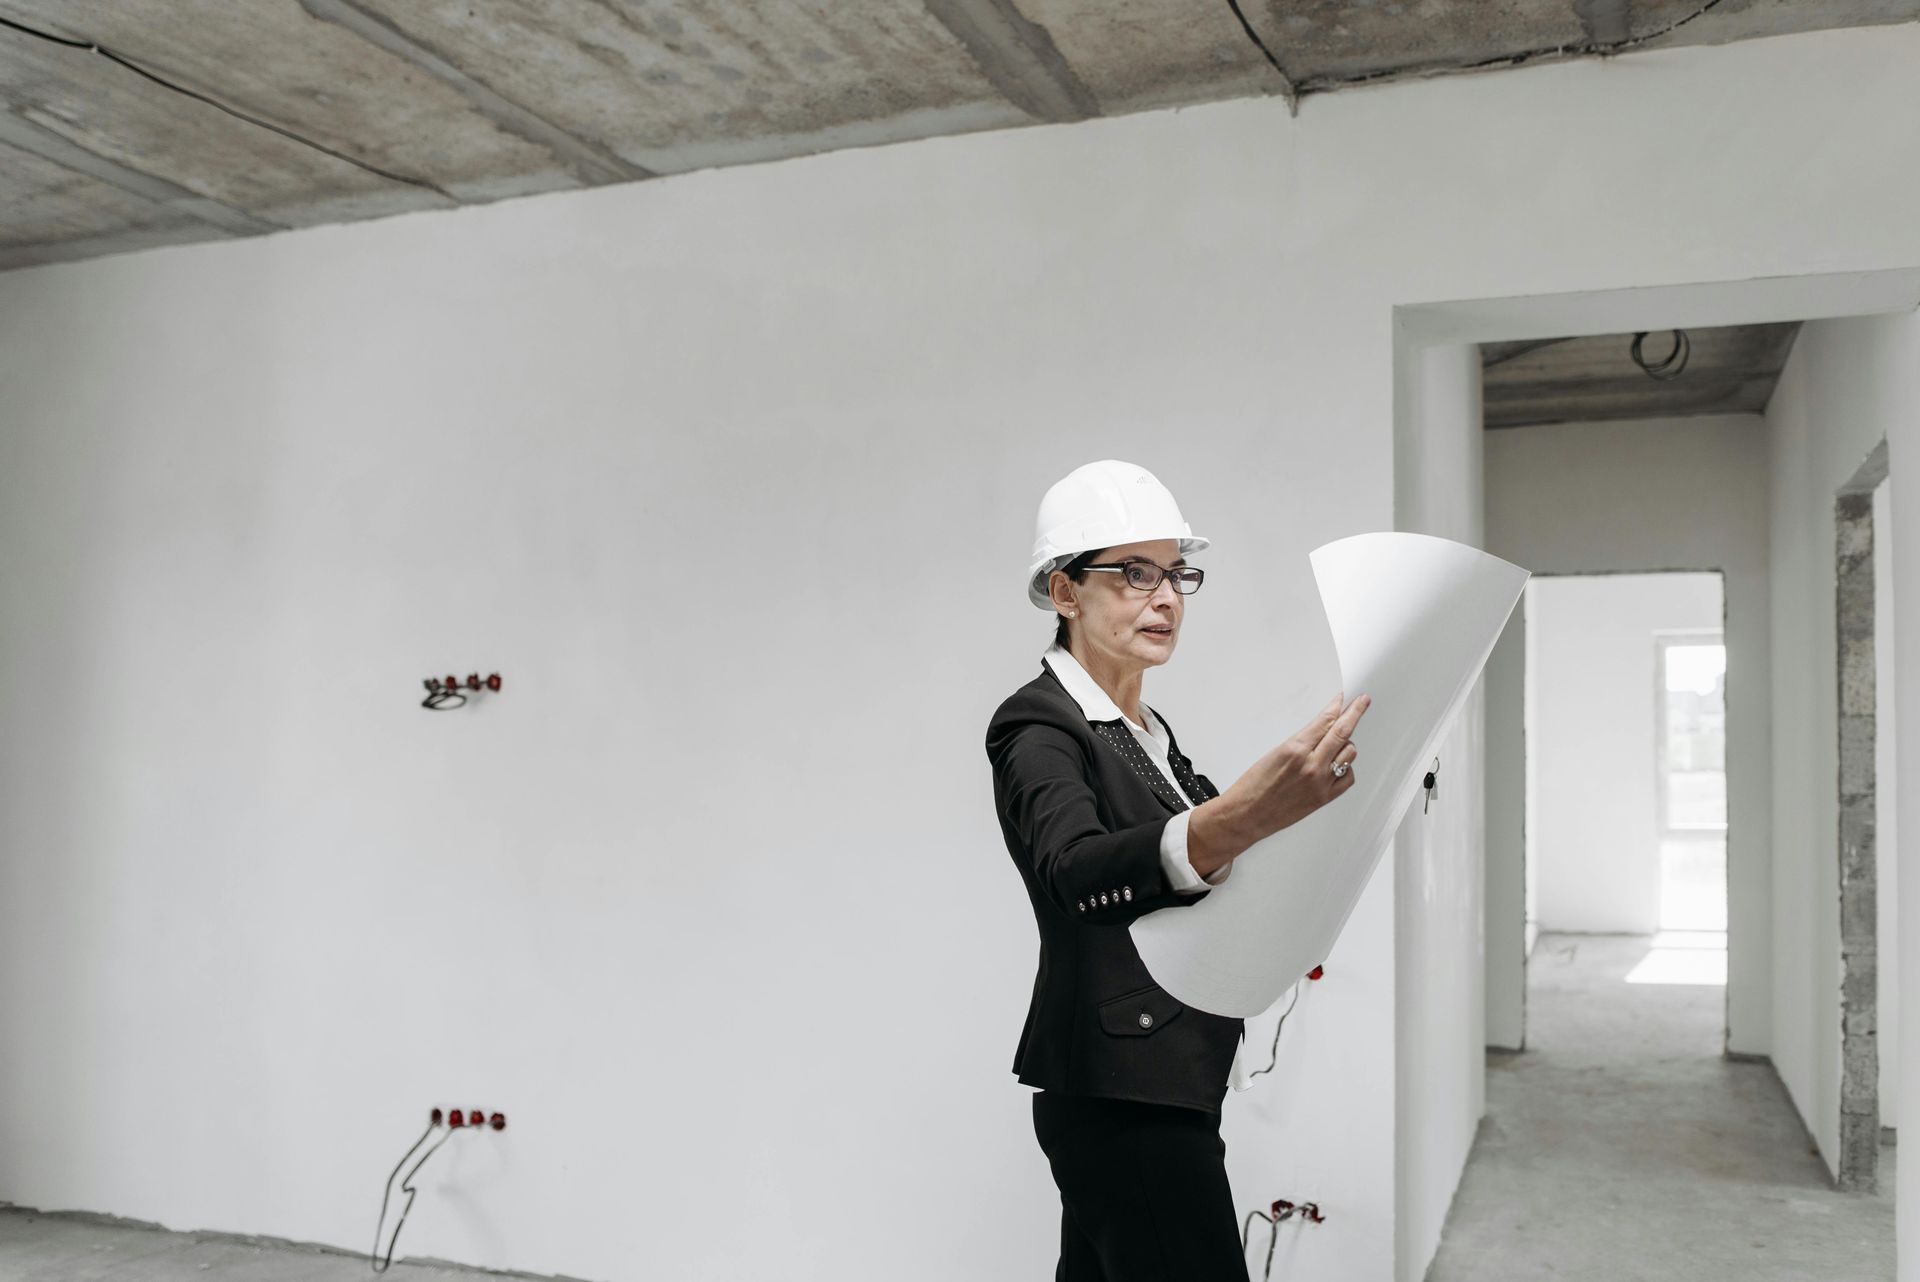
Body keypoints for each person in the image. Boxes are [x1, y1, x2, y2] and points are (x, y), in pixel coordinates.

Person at [984, 459, 1371, 1281]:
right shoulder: (1039, 724)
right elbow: (1077, 870)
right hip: (1122, 1094)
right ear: (1064, 593)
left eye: (1176, 574)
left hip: (1168, 1076)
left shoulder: (1147, 728)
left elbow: (1207, 868)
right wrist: (1243, 813)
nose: (1166, 597)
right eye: (1133, 574)